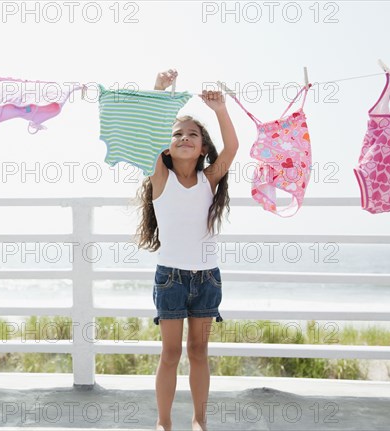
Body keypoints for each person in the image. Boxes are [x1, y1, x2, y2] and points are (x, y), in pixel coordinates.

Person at [135, 69, 239, 431]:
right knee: (170, 353)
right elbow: (148, 137)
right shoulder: (160, 178)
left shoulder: (209, 180)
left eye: (192, 135)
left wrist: (220, 110)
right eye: (177, 134)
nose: (183, 138)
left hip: (207, 277)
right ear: (167, 146)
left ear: (203, 148)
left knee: (198, 351)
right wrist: (159, 90)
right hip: (171, 279)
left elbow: (233, 148)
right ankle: (164, 423)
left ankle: (199, 420)